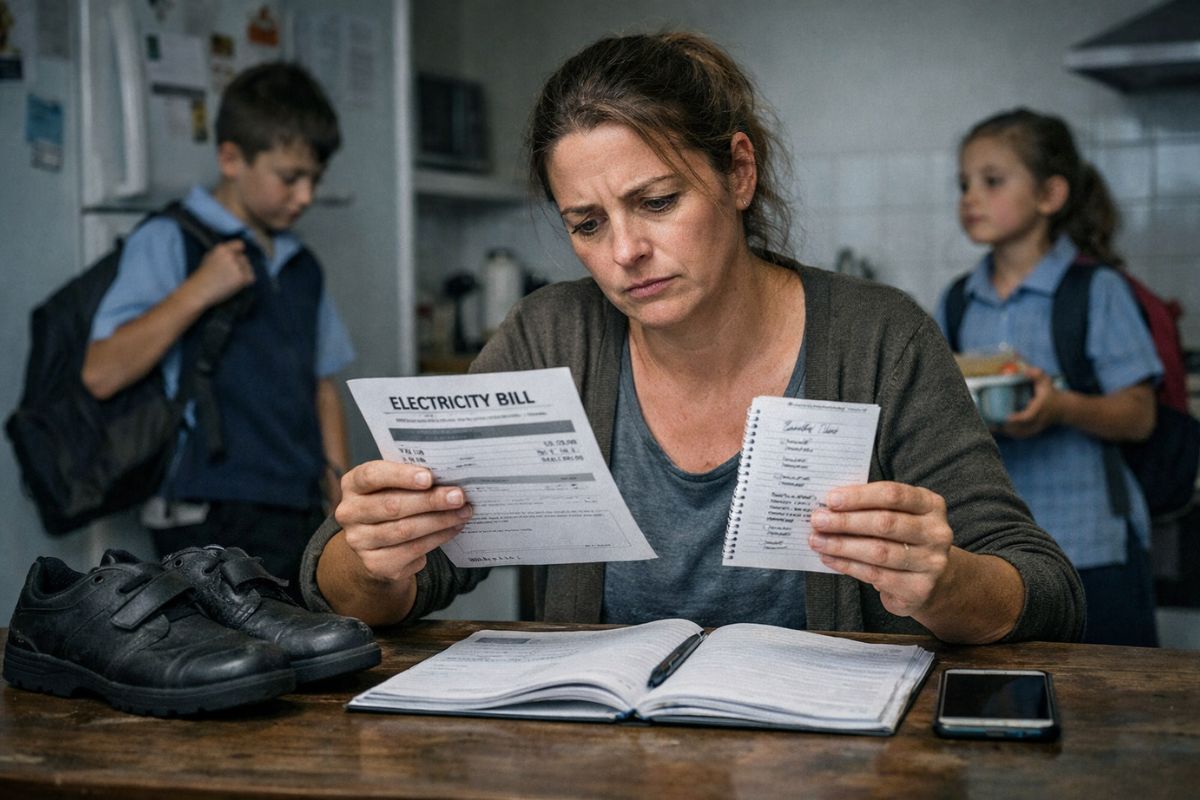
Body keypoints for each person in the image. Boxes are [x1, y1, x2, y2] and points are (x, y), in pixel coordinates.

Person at [302, 33, 1083, 643]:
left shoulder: (879, 338)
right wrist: (376, 560)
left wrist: (944, 583)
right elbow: (355, 583)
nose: (624, 252)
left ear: (738, 172)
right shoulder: (553, 336)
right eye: (587, 223)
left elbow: (1045, 589)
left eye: (657, 201)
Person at [82, 62, 355, 592]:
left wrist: (337, 488)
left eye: (314, 179)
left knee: (305, 646)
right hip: (208, 502)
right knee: (233, 659)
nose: (305, 197)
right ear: (231, 157)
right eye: (289, 178)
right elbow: (101, 372)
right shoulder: (169, 240)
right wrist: (198, 290)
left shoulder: (302, 264)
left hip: (295, 500)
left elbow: (322, 383)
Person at [935, 108, 1161, 646]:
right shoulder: (959, 301)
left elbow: (1140, 415)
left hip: (1094, 544)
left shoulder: (1097, 290)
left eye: (992, 181)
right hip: (999, 558)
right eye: (965, 183)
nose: (970, 197)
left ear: (1050, 195)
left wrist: (1060, 408)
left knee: (1112, 710)